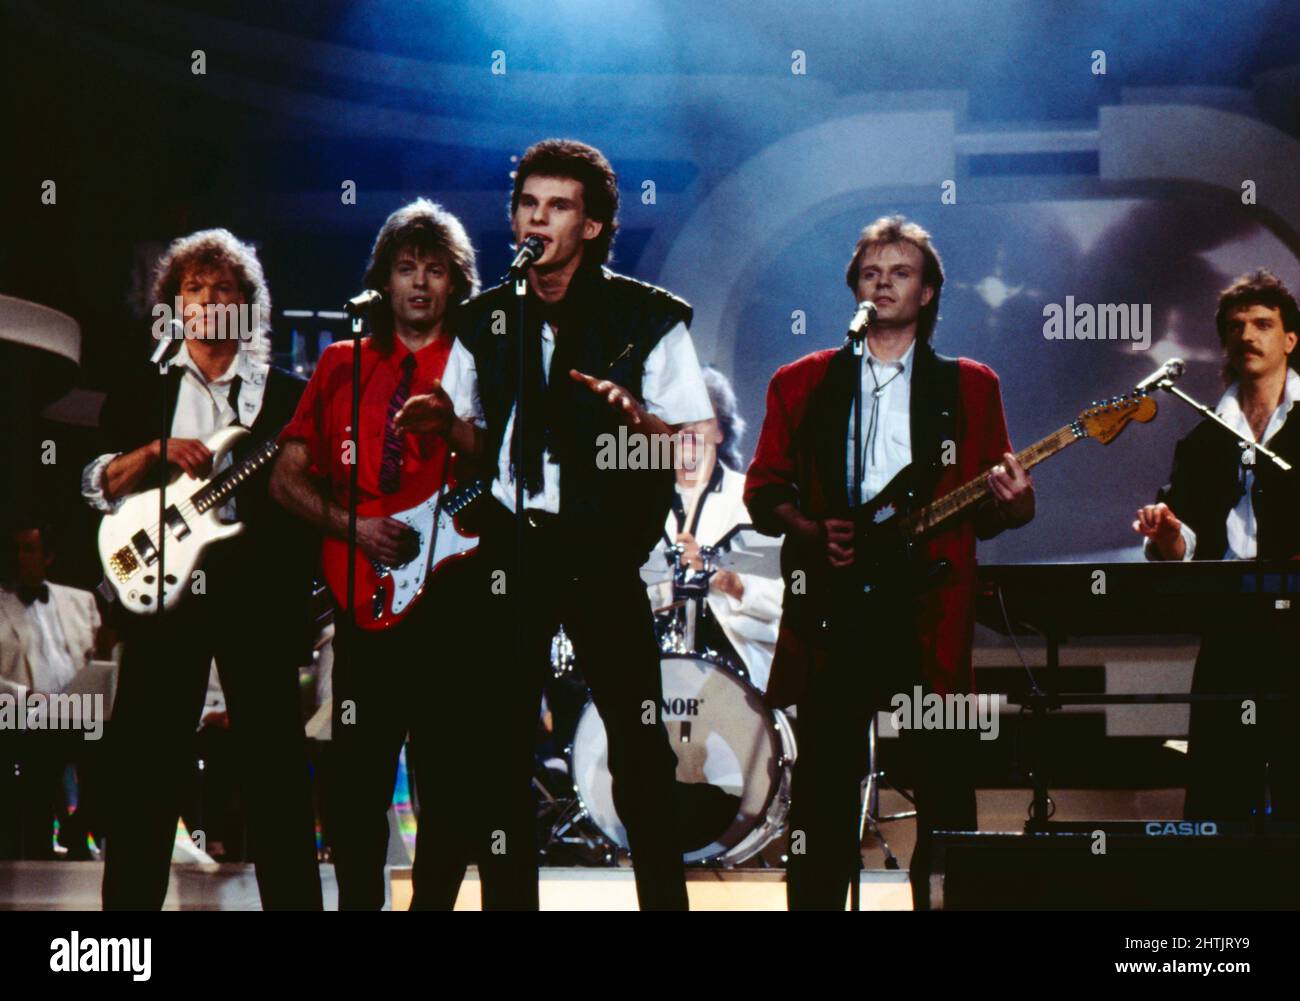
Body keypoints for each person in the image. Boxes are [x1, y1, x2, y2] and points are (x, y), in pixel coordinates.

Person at [744, 215, 1034, 909]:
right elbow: (763, 491)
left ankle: (940, 900)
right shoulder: (801, 381)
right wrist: (814, 530)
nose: (884, 283)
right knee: (823, 784)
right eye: (872, 272)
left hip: (926, 603)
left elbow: (997, 511)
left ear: (929, 292)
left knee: (944, 775)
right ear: (854, 289)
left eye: (900, 272)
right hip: (835, 606)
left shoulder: (971, 385)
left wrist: (1016, 502)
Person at [456, 138, 714, 910]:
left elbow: (695, 444)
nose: (538, 218)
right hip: (512, 548)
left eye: (558, 206)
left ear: (594, 226)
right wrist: (442, 423)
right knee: (499, 752)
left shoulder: (649, 317)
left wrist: (640, 422)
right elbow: (473, 437)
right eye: (528, 204)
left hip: (603, 554)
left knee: (640, 750)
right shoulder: (485, 318)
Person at [81, 229, 321, 909]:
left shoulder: (292, 398)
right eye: (195, 289)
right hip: (163, 606)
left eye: (226, 290)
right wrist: (155, 450)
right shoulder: (140, 391)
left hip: (260, 607)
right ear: (174, 306)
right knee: (146, 781)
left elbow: (313, 505)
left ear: (250, 306)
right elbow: (97, 486)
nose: (210, 301)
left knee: (277, 781)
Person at [270, 199, 487, 909]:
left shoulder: (477, 364)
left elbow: (518, 466)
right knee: (355, 781)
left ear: (456, 283)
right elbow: (284, 477)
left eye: (434, 270)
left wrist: (459, 430)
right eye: (405, 268)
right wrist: (353, 527)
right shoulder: (340, 364)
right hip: (362, 602)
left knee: (449, 786)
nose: (420, 284)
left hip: (456, 603)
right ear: (384, 280)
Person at [1133, 269, 1300, 821]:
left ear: (1290, 339)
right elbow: (1188, 544)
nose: (1248, 335)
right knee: (1221, 788)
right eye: (1236, 326)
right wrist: (1168, 537)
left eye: (1263, 324)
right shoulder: (1205, 437)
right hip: (1232, 629)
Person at [650, 367, 783, 691]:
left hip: (730, 661)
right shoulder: (644, 501)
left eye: (701, 420)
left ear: (720, 432)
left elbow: (779, 597)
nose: (688, 431)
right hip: (654, 654)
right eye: (678, 422)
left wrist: (719, 575)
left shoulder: (749, 500)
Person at [0, 522, 103, 859]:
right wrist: (25, 696)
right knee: (44, 750)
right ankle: (41, 846)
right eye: (16, 548)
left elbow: (95, 657)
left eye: (28, 549)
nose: (20, 556)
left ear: (49, 556)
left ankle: (78, 828)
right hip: (18, 710)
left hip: (79, 708)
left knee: (118, 751)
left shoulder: (81, 600)